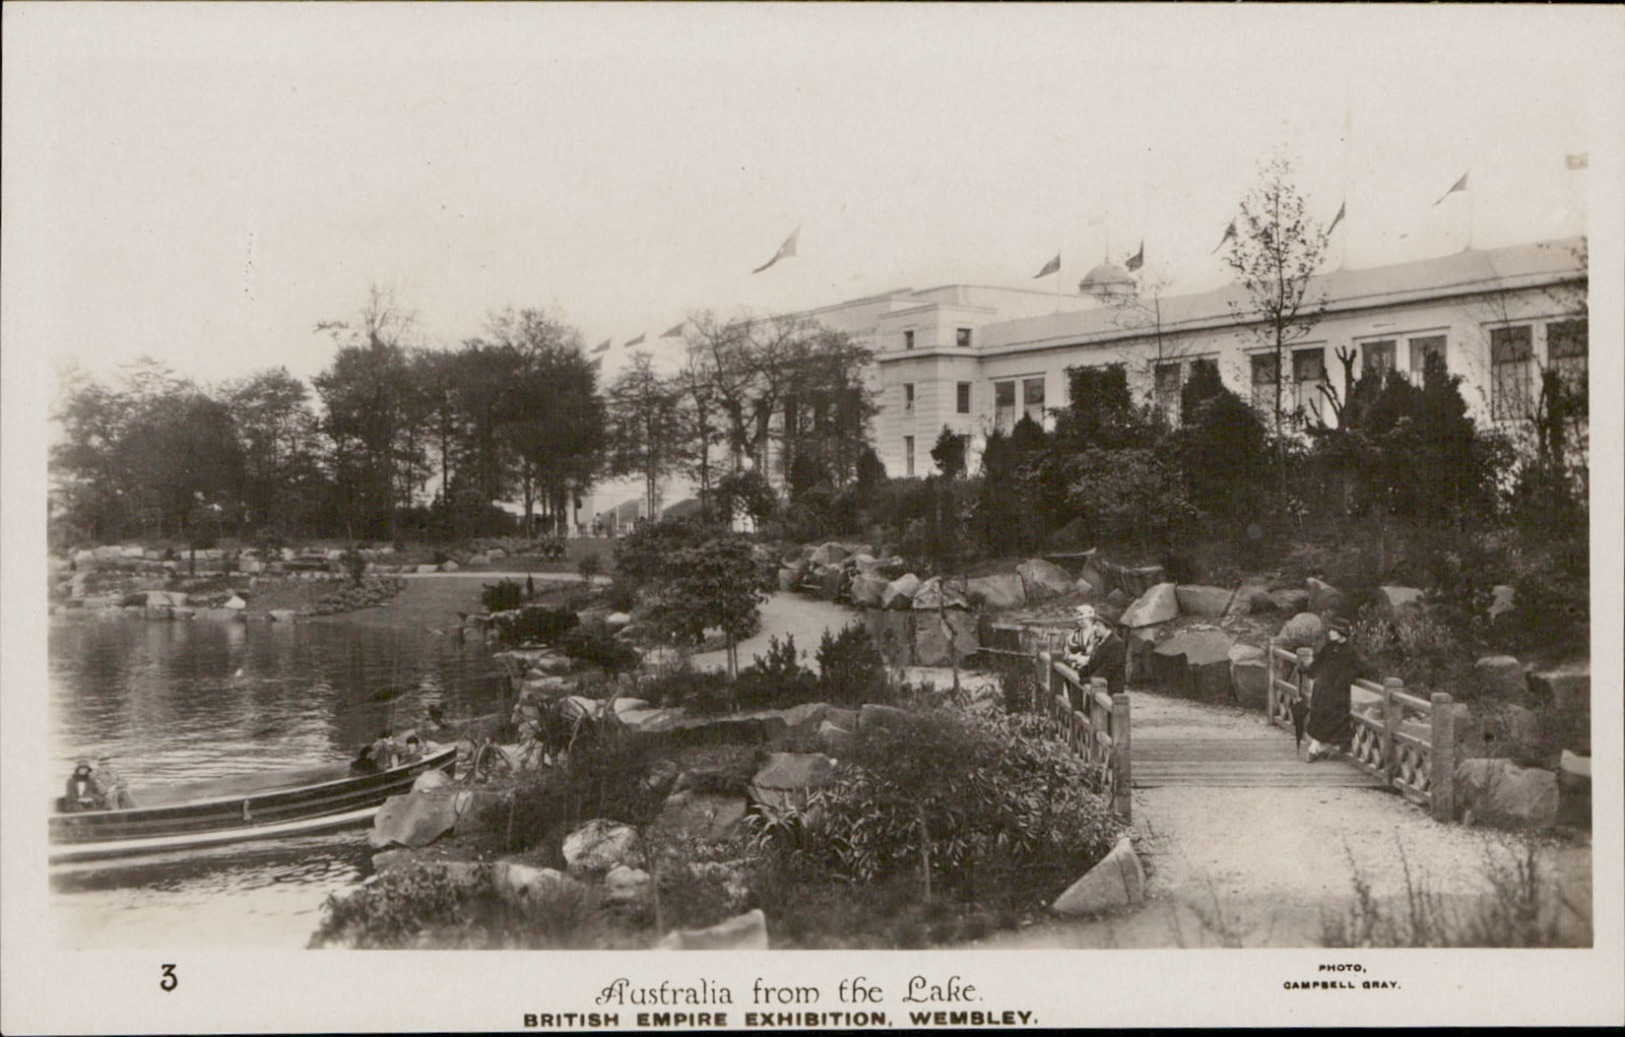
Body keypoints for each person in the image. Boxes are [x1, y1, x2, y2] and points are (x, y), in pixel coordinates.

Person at [1303, 616, 1364, 761]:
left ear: (1341, 633)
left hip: (1338, 692)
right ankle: (1317, 747)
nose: (1330, 632)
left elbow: (1357, 669)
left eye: (1333, 630)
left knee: (1334, 717)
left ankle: (1318, 748)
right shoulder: (1329, 646)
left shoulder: (1350, 651)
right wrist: (1310, 671)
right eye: (1330, 629)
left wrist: (1342, 681)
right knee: (1318, 715)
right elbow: (1318, 661)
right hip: (1322, 688)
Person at [1062, 604, 1127, 701]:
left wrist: (1089, 679)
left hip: (1110, 687)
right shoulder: (1100, 641)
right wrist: (1081, 673)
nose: (1096, 628)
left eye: (1099, 625)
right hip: (1096, 685)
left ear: (1107, 627)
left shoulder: (1116, 643)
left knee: (1104, 712)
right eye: (1095, 625)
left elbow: (1109, 668)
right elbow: (1094, 661)